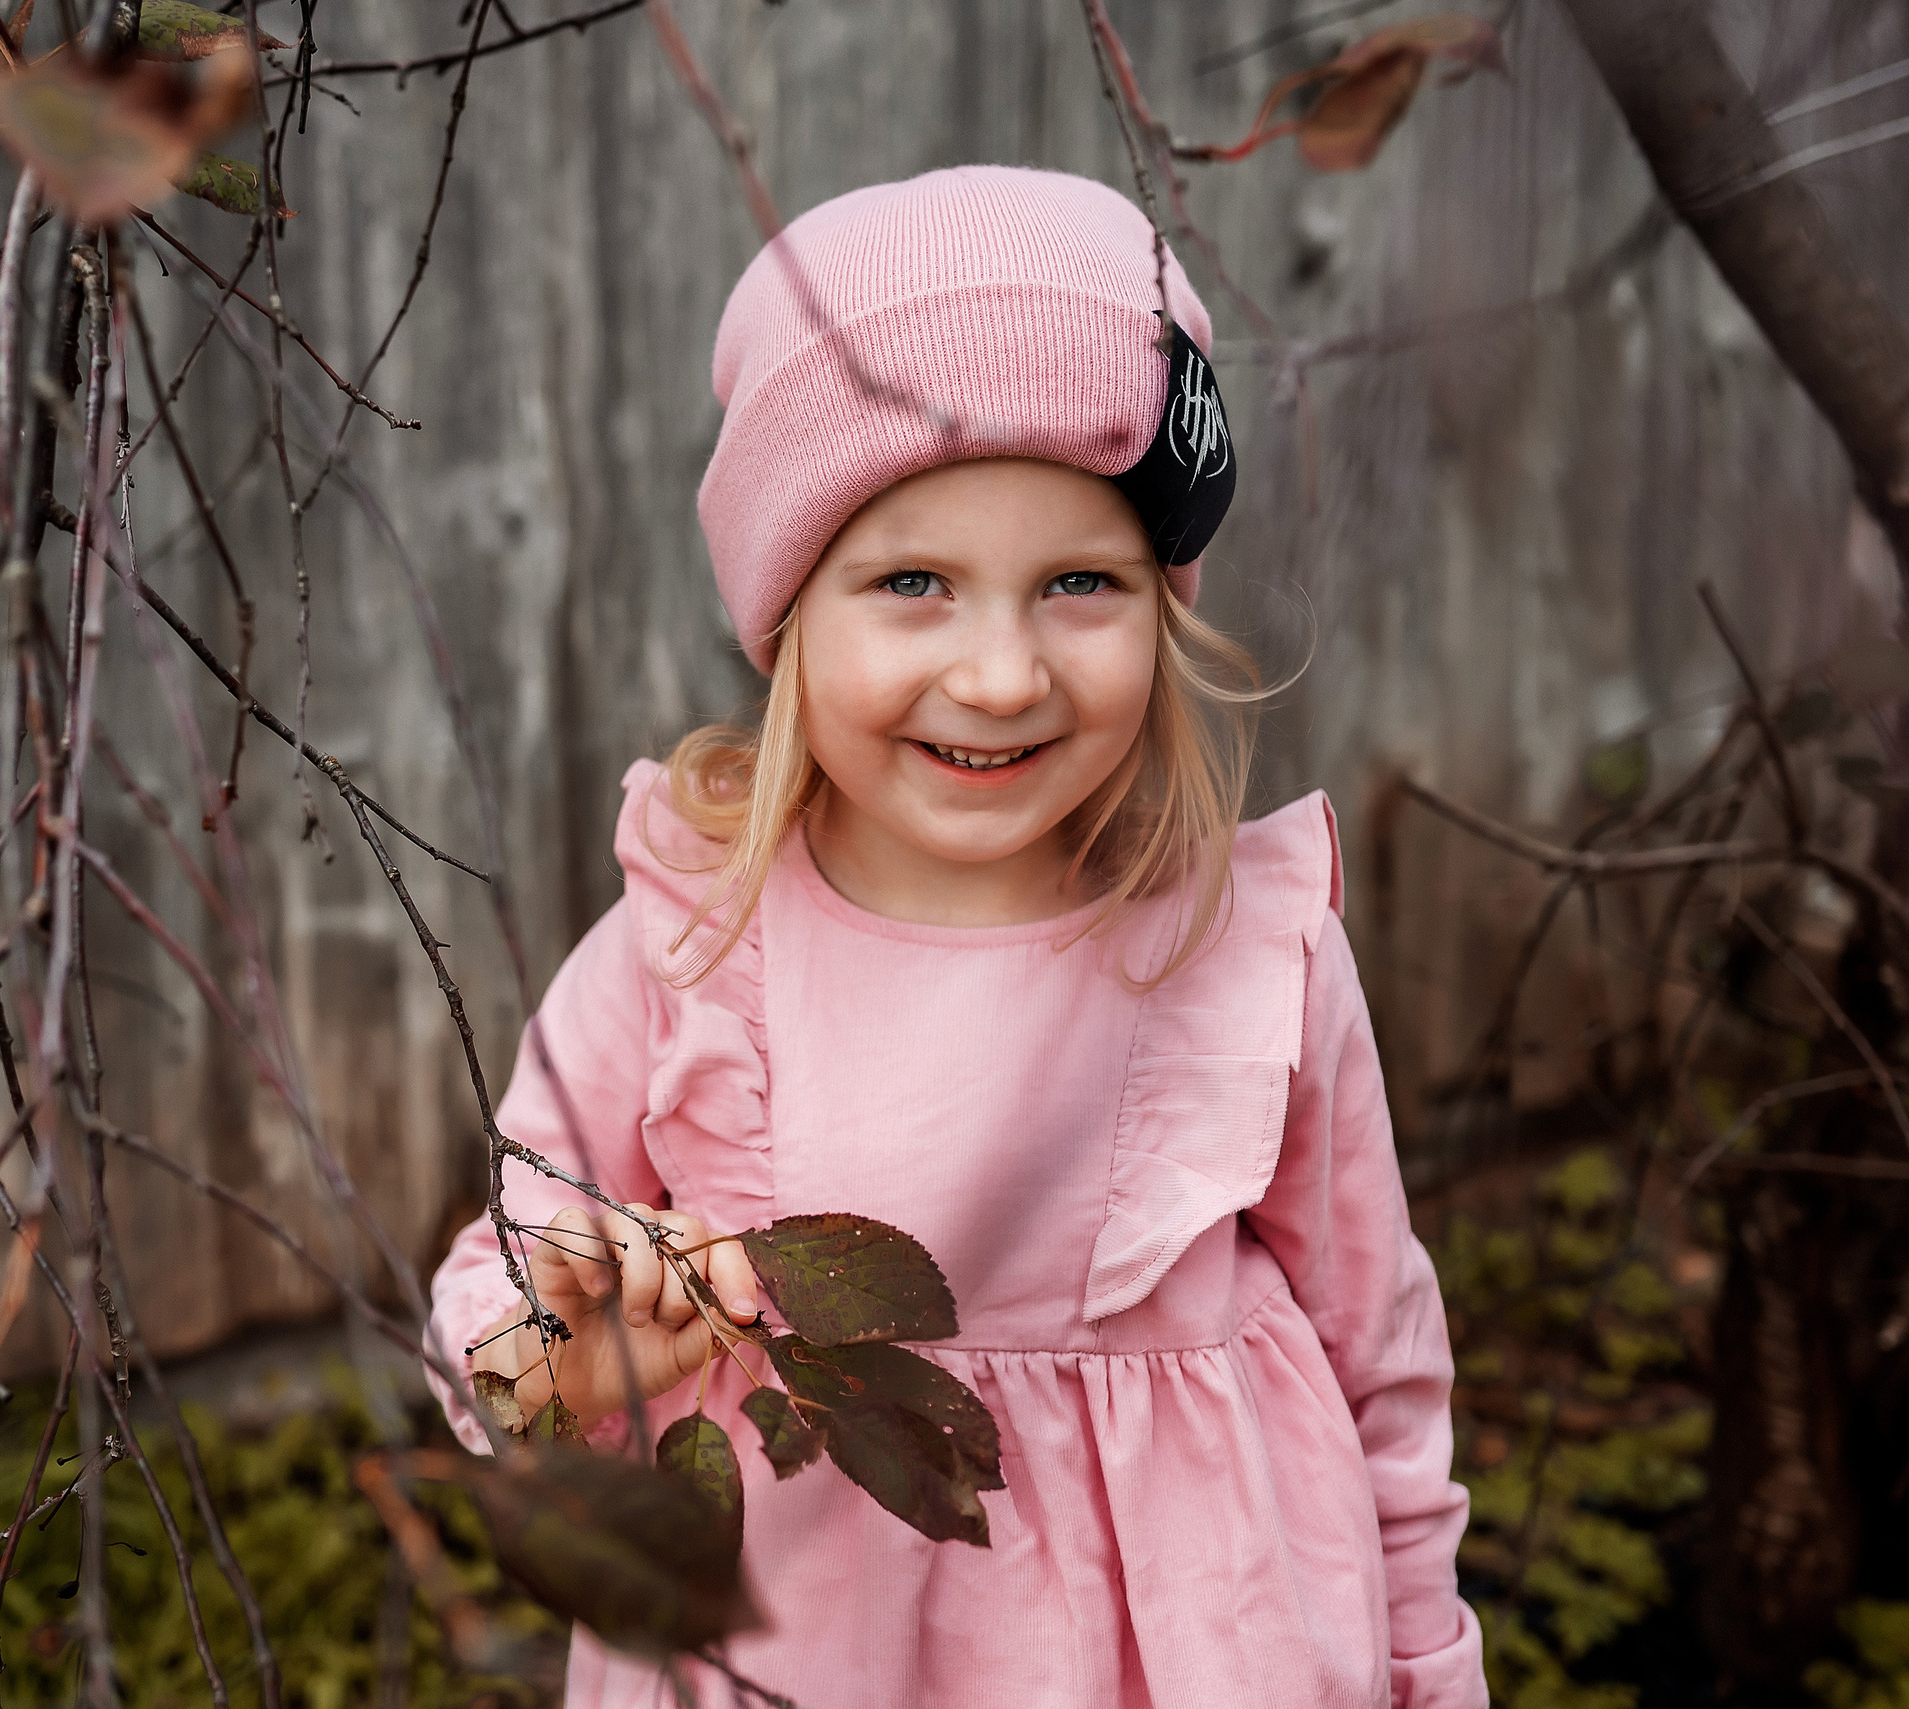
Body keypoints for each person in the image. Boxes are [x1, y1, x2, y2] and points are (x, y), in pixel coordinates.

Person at [425, 165, 1484, 1708]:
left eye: (1080, 583)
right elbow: (495, 1305)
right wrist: (577, 1346)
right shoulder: (693, 941)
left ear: (1164, 605)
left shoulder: (1245, 955)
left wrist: (1429, 1671)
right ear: (789, 614)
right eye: (912, 582)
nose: (1000, 673)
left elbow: (1384, 1364)